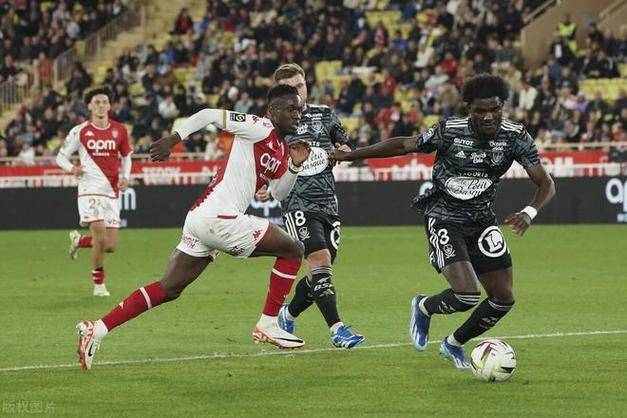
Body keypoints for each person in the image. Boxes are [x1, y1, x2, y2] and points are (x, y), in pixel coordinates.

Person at [76, 84, 311, 370]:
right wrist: (174, 138)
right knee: (293, 250)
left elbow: (279, 192)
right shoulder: (258, 127)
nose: (297, 115)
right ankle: (268, 323)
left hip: (201, 218)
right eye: (290, 109)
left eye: (299, 110)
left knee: (169, 288)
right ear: (273, 110)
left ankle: (97, 329)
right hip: (219, 217)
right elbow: (209, 114)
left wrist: (295, 166)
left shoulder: (282, 149)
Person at [331, 74, 555, 368]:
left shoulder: (515, 136)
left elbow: (546, 183)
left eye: (495, 109)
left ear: (502, 106)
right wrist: (351, 156)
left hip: (482, 221)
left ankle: (453, 343)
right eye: (480, 111)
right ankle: (424, 306)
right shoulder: (449, 130)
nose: (489, 116)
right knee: (466, 295)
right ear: (468, 109)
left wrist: (529, 212)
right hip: (444, 217)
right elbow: (404, 145)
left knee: (503, 298)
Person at [256, 63, 364, 348]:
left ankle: (288, 314)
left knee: (320, 272)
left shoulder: (325, 114)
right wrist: (265, 184)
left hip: (328, 202)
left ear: (306, 85)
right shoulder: (273, 122)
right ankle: (338, 330)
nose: (298, 92)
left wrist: (344, 150)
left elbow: (344, 145)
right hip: (296, 203)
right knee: (320, 259)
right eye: (291, 88)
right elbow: (264, 158)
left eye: (300, 86)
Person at [56, 87, 132, 297]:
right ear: (89, 106)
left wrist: (126, 176)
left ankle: (79, 241)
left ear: (110, 106)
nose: (101, 105)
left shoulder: (120, 130)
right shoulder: (80, 131)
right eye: (96, 102)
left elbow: (126, 156)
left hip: (111, 191)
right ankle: (99, 285)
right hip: (89, 189)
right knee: (99, 236)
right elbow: (60, 157)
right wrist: (72, 169)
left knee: (110, 245)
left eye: (104, 102)